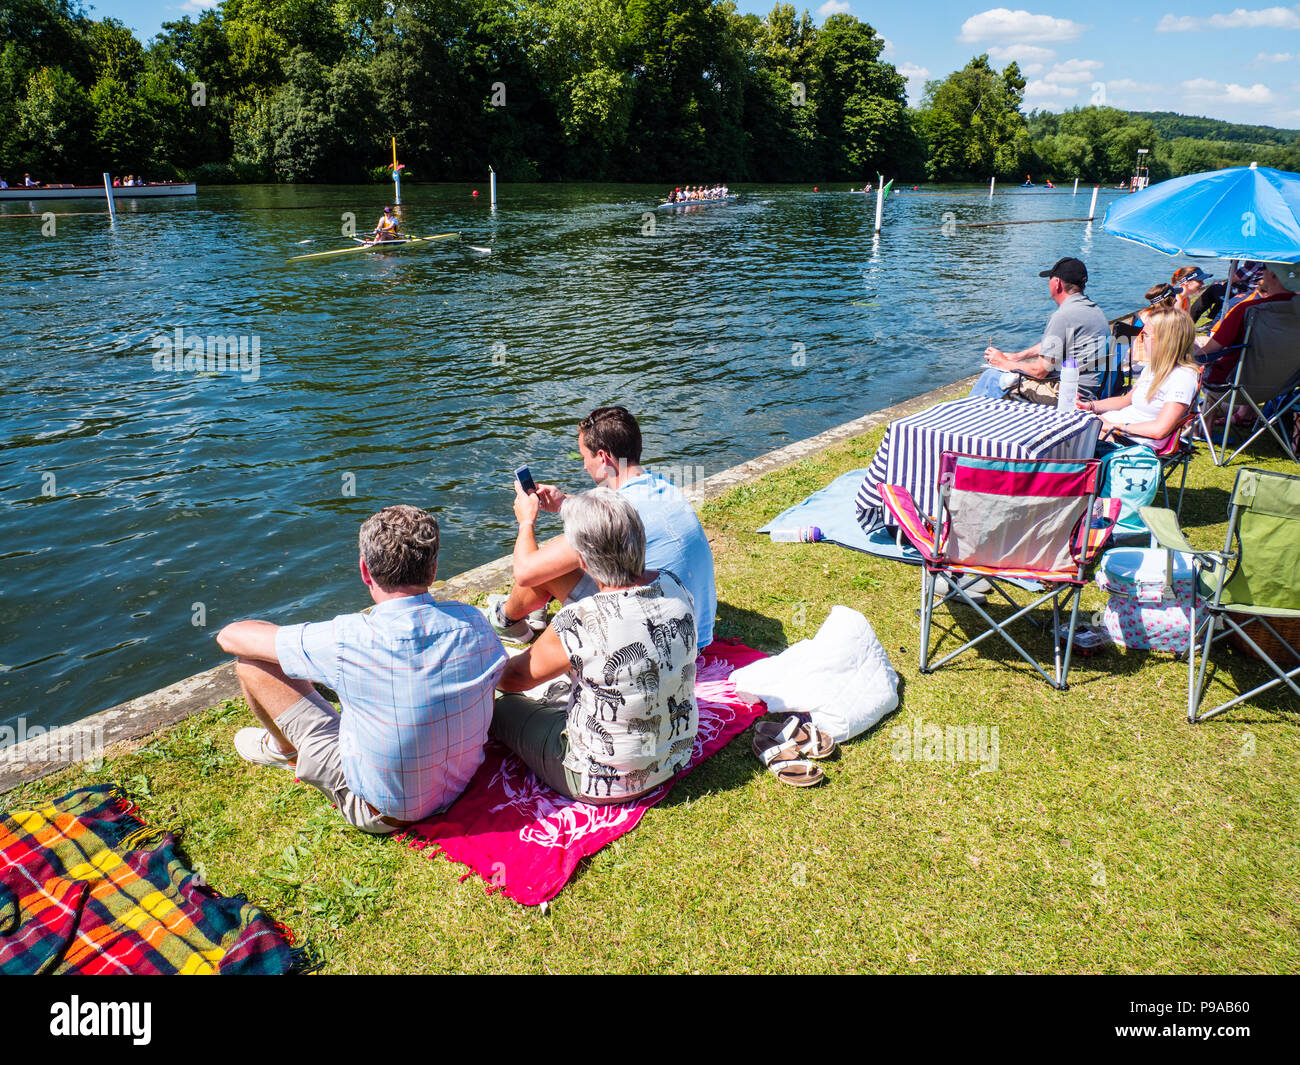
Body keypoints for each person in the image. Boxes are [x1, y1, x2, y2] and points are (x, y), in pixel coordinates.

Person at [215, 505, 506, 833]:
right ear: (434, 569)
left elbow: (231, 636)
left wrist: (294, 646)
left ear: (365, 571)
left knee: (252, 664)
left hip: (381, 812)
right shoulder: (473, 622)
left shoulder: (348, 639)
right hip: (460, 786)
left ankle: (282, 749)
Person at [492, 488, 699, 802]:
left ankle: (510, 625)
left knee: (492, 701)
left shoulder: (579, 621)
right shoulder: (673, 585)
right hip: (676, 754)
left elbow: (511, 679)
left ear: (583, 561)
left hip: (600, 778)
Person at [487, 405, 716, 652]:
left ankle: (506, 619)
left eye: (585, 457)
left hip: (659, 644)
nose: (584, 466)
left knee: (553, 566)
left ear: (603, 458)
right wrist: (565, 503)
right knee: (584, 553)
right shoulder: (662, 486)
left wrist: (526, 520)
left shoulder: (617, 512)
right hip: (693, 633)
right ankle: (530, 610)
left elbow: (524, 572)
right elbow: (613, 518)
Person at [969, 257, 1110, 401]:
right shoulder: (1093, 309)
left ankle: (965, 415)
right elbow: (1055, 344)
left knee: (992, 378)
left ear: (1057, 284)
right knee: (1005, 376)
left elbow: (1040, 371)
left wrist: (1004, 363)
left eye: (1050, 278)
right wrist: (1019, 356)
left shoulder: (1063, 316)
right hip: (1090, 390)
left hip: (1068, 396)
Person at [1082, 309, 1199, 450]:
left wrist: (1113, 426)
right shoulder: (1153, 368)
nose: (1141, 341)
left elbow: (1159, 430)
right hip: (1115, 428)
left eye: (1145, 335)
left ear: (1165, 340)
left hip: (1133, 441)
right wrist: (1090, 406)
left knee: (1068, 436)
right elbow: (1124, 401)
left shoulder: (1182, 378)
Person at [1197, 264, 1296, 386]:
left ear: (1272, 274)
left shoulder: (1248, 309)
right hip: (1284, 385)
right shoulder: (1294, 308)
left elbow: (1213, 348)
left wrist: (1190, 359)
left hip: (1235, 382)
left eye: (1263, 267)